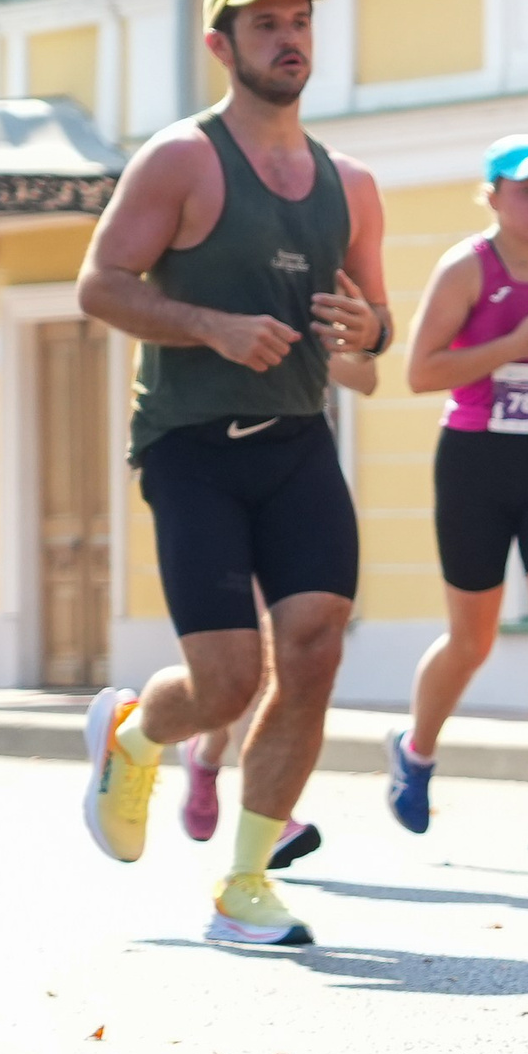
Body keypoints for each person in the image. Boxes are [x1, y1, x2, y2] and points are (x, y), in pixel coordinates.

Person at [74, 0, 390, 947]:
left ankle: (244, 882)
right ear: (221, 46)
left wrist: (360, 326)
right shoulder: (182, 160)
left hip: (298, 441)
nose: (288, 39)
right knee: (227, 683)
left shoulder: (353, 184)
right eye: (265, 26)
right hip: (192, 446)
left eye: (299, 22)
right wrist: (209, 325)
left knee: (314, 648)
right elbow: (101, 286)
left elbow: (379, 325)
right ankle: (133, 734)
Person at [383, 136, 528, 855]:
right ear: (493, 195)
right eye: (525, 191)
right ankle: (416, 747)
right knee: (472, 639)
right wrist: (513, 344)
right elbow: (422, 371)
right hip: (475, 464)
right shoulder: (465, 267)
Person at [179, 349, 380, 860]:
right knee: (242, 658)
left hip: (291, 477)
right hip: (206, 471)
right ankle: (270, 813)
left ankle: (209, 755)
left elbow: (366, 374)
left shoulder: (308, 284)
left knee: (286, 652)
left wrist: (305, 351)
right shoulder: (201, 279)